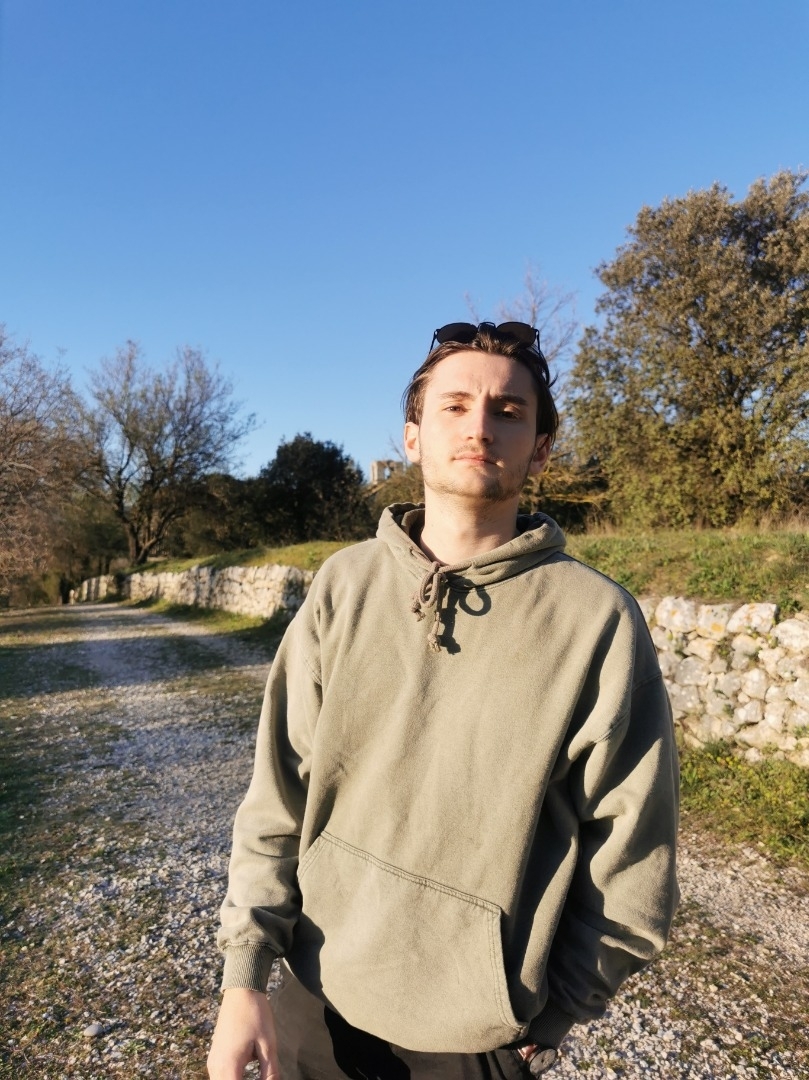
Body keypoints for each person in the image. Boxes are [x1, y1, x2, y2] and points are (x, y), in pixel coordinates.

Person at [207, 321, 679, 1080]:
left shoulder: (596, 619)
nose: (480, 427)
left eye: (508, 411)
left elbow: (632, 848)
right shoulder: (344, 586)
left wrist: (559, 1010)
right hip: (312, 997)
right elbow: (278, 797)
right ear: (412, 438)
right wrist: (244, 979)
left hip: (476, 1038)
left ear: (540, 448)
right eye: (454, 406)